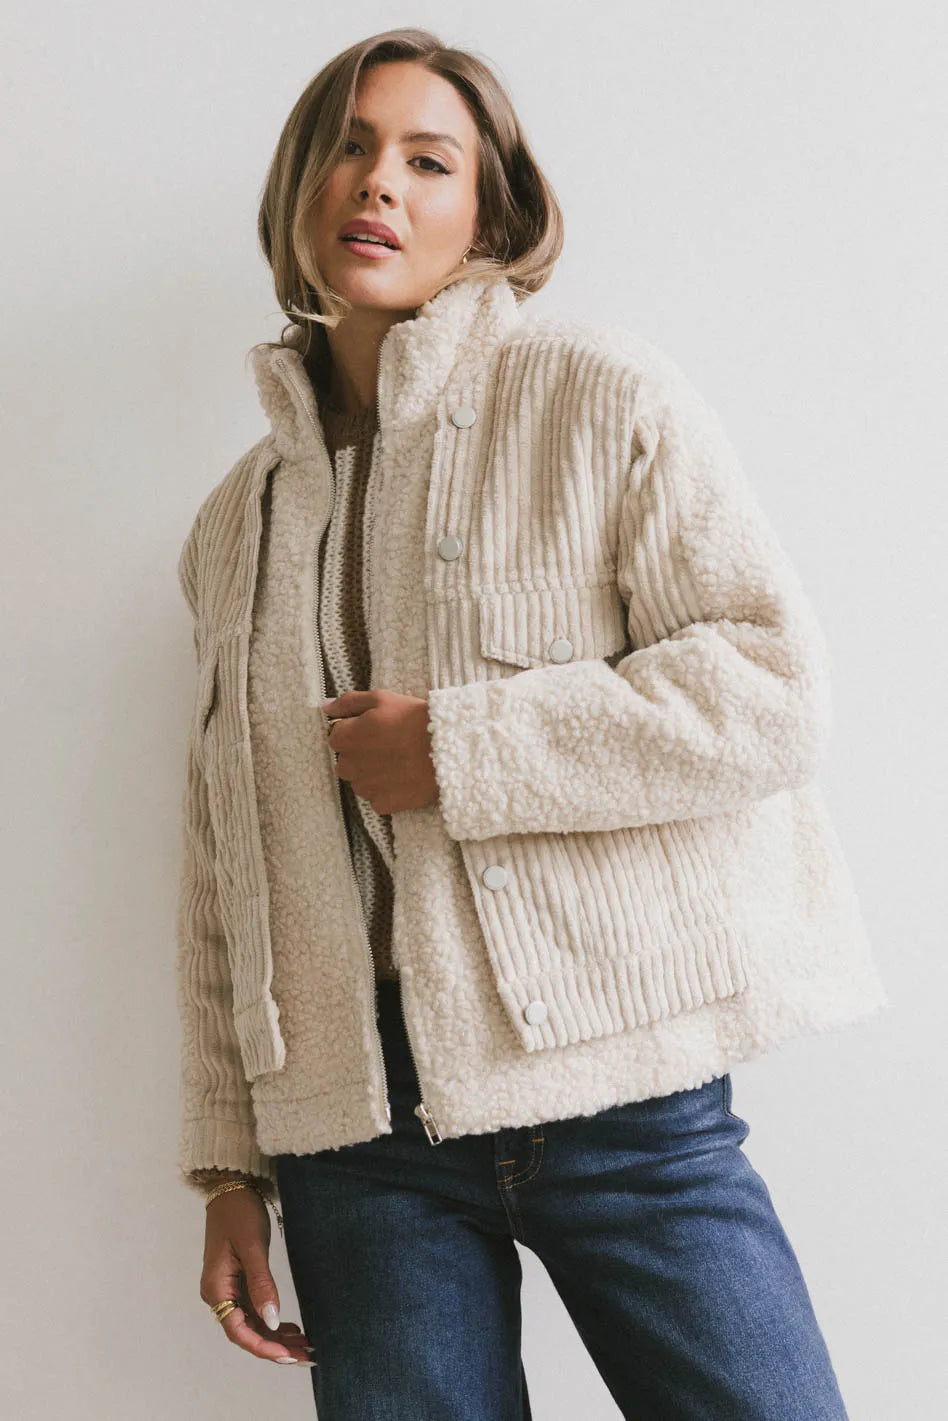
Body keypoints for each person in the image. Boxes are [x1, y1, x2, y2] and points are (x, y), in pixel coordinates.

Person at [173, 26, 889, 1419]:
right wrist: (231, 1162)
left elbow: (772, 689)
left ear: (490, 212)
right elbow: (223, 859)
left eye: (427, 159)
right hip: (358, 1140)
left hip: (627, 1099)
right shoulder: (233, 522)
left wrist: (462, 749)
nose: (379, 182)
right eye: (349, 148)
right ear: (299, 190)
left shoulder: (599, 395)